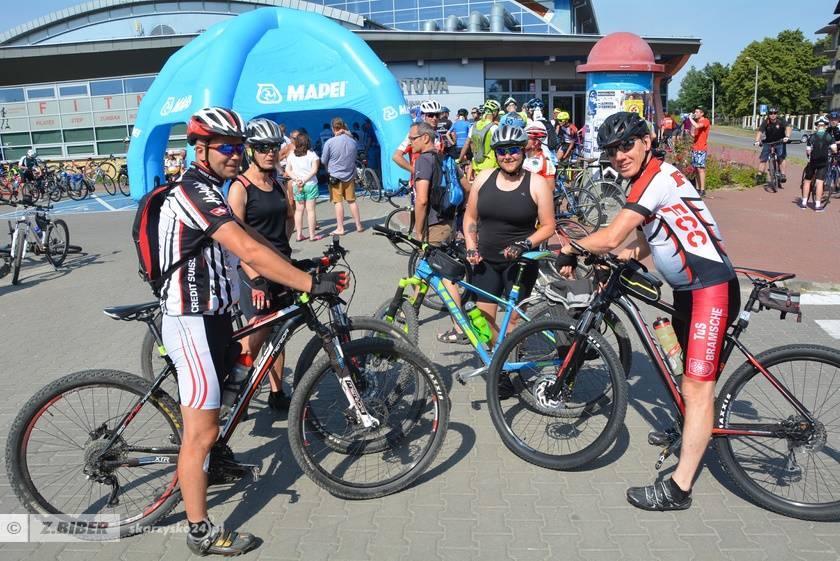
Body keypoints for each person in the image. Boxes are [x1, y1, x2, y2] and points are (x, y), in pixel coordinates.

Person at [158, 107, 346, 556]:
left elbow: (256, 240)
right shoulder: (193, 190)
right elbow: (246, 248)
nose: (235, 154)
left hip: (215, 317)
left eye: (238, 146)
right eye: (227, 146)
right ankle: (200, 531)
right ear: (200, 149)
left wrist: (299, 268)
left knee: (225, 400)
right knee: (200, 433)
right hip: (191, 320)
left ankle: (216, 462)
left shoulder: (210, 188)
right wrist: (309, 284)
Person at [558, 111, 740, 512]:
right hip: (691, 292)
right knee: (685, 375)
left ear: (646, 142)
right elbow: (647, 240)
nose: (619, 155)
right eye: (611, 150)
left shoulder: (656, 179)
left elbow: (612, 235)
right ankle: (689, 428)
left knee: (697, 389)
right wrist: (620, 258)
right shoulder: (651, 178)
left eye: (626, 145)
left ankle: (678, 489)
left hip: (710, 291)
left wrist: (571, 248)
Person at [463, 124, 555, 345]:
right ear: (495, 154)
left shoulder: (537, 183)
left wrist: (524, 244)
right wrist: (471, 247)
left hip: (520, 263)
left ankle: (510, 359)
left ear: (523, 151)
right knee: (484, 324)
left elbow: (548, 226)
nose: (508, 156)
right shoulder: (484, 178)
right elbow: (470, 218)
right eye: (502, 151)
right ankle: (499, 359)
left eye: (513, 150)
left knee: (514, 325)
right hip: (486, 261)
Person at [227, 118, 295, 412]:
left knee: (278, 335)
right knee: (254, 339)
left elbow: (288, 221)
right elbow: (235, 240)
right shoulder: (240, 188)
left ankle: (277, 393)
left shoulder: (276, 183)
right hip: (253, 274)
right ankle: (231, 398)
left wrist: (281, 255)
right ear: (250, 150)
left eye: (274, 147)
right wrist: (256, 278)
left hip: (279, 268)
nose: (270, 153)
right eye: (263, 147)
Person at [321, 117, 364, 235]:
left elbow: (323, 160)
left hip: (335, 176)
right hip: (350, 174)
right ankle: (358, 225)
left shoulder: (330, 142)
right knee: (352, 201)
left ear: (333, 128)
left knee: (338, 202)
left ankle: (340, 228)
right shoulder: (353, 141)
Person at [285, 131, 323, 240]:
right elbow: (314, 170)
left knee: (299, 210)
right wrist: (304, 179)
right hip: (310, 184)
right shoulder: (312, 154)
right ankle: (312, 235)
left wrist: (297, 179)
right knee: (310, 210)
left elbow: (288, 170)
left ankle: (299, 235)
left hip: (297, 185)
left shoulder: (292, 154)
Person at [393, 99, 444, 178]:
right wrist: (415, 171)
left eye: (437, 115)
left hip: (435, 179)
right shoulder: (415, 134)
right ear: (424, 116)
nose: (434, 118)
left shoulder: (439, 136)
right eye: (431, 115)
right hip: (419, 180)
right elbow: (396, 156)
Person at [801, 115, 836, 212]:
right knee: (819, 182)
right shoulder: (829, 136)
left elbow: (808, 151)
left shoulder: (811, 137)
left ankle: (804, 203)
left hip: (812, 162)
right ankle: (817, 205)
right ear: (826, 126)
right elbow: (834, 149)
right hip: (823, 162)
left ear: (816, 126)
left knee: (807, 181)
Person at [460, 99, 500, 181]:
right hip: (491, 169)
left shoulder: (474, 126)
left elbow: (466, 144)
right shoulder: (494, 128)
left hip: (477, 167)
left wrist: (460, 159)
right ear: (495, 112)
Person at [754, 107, 791, 184]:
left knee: (781, 157)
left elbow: (788, 127)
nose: (773, 115)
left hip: (780, 141)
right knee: (763, 158)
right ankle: (759, 174)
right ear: (769, 114)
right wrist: (757, 141)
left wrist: (787, 136)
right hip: (768, 142)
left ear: (777, 114)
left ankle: (783, 174)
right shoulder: (766, 121)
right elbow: (760, 131)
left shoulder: (781, 120)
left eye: (775, 113)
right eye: (771, 113)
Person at [688, 106, 710, 197]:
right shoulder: (696, 122)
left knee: (701, 169)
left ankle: (702, 189)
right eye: (695, 112)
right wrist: (691, 125)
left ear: (702, 113)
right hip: (695, 147)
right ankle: (697, 188)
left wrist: (690, 118)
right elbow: (693, 134)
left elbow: (697, 126)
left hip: (701, 148)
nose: (695, 113)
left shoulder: (705, 121)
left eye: (697, 112)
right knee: (696, 169)